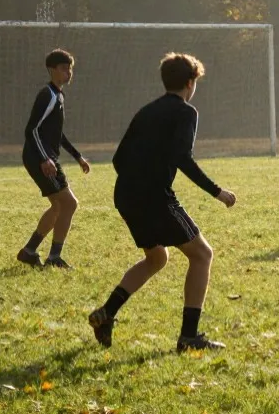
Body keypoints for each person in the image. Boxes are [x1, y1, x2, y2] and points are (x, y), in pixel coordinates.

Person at [89, 53, 237, 352]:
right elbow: (182, 157)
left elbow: (119, 158)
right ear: (190, 82)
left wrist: (136, 180)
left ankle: (106, 314)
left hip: (125, 193)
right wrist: (217, 191)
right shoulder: (186, 112)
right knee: (202, 255)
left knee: (157, 258)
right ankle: (189, 337)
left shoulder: (146, 111)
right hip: (154, 196)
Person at [17, 49, 90, 269]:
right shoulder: (47, 94)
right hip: (39, 157)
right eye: (64, 68)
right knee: (69, 203)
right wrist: (44, 158)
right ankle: (53, 257)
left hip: (43, 156)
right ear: (52, 70)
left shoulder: (58, 95)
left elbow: (58, 134)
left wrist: (77, 156)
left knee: (59, 206)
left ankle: (29, 252)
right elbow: (32, 130)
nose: (68, 72)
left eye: (70, 68)